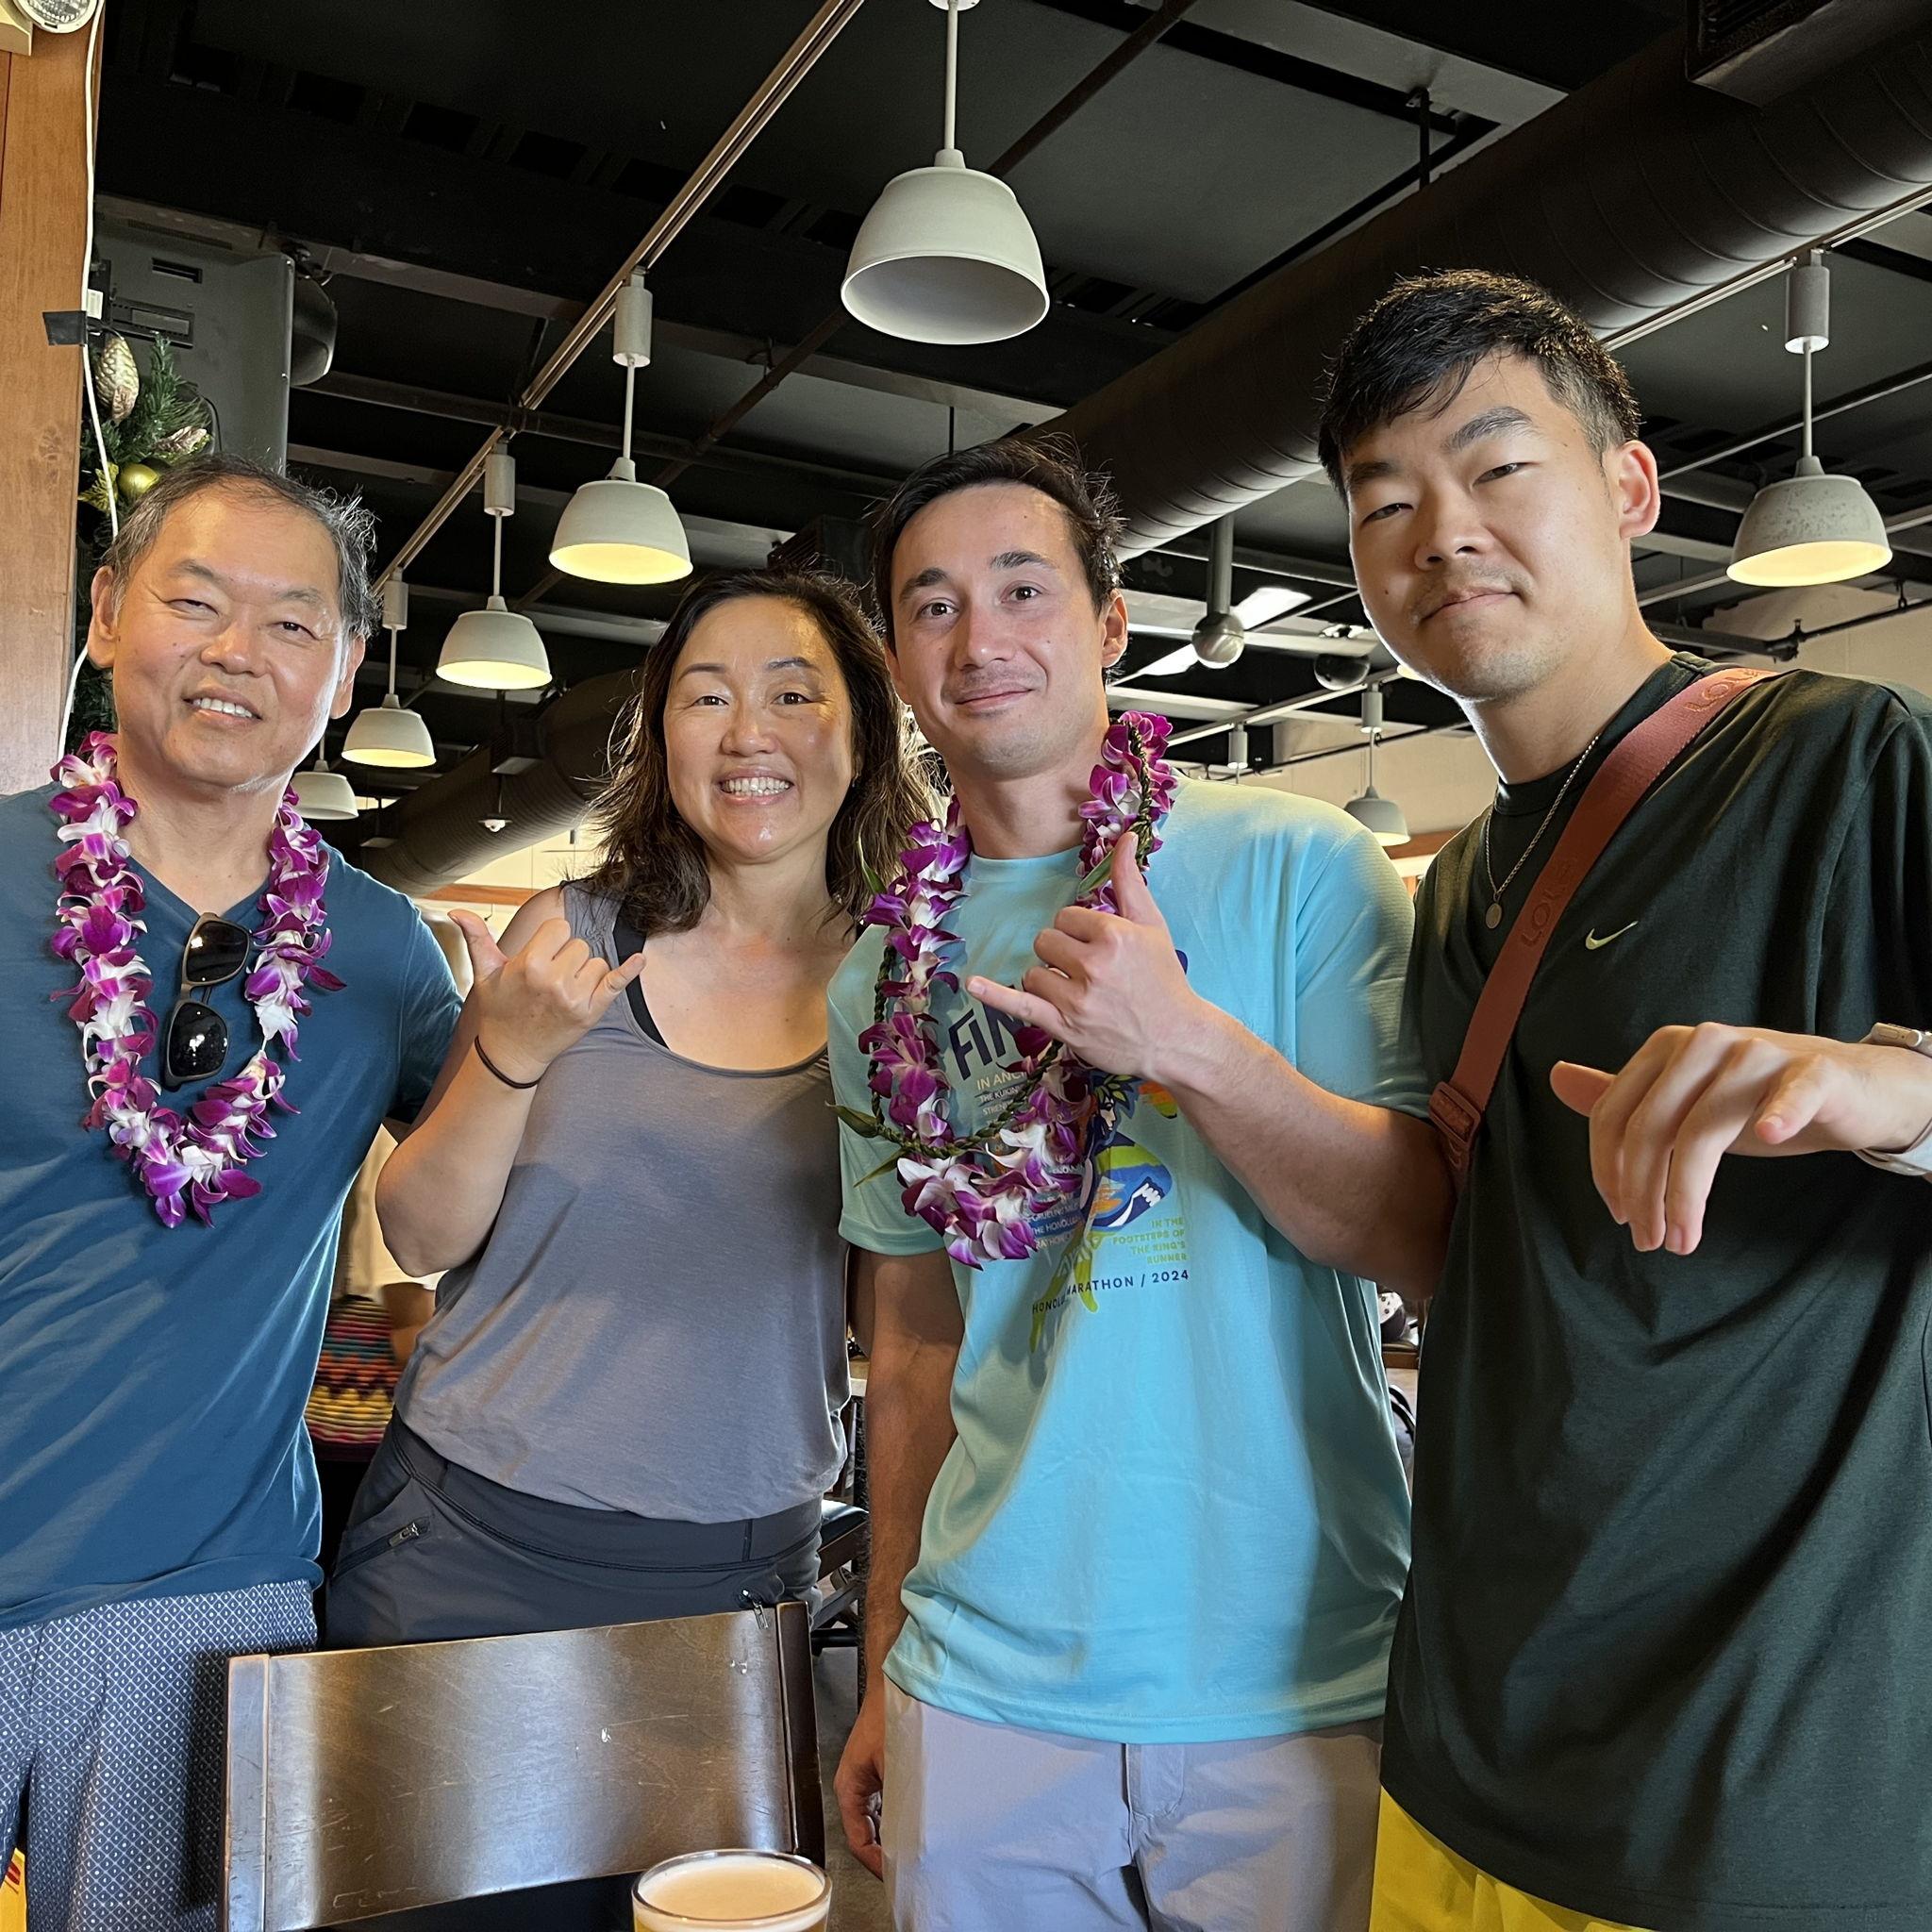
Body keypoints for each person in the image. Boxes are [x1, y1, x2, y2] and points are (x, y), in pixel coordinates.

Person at [1315, 268, 1932, 1932]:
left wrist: (1888, 1087)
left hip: (1751, 1794)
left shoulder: (1844, 762)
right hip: (1459, 1744)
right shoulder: (1452, 897)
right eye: (1389, 503)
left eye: (1498, 466)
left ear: (1631, 488)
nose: (1443, 533)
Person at [829, 436, 1453, 1932]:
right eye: (931, 607)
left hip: (1295, 1672)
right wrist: (882, 1658)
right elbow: (911, 1351)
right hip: (979, 1681)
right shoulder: (880, 978)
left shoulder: (1300, 866)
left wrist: (1182, 1044)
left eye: (1023, 588)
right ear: (903, 663)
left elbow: (1423, 1234)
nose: (981, 639)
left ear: (1110, 625)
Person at [324, 570, 929, 1924]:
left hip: (732, 1579)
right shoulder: (574, 938)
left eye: (791, 692)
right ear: (661, 738)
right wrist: (510, 1052)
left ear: (864, 733)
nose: (746, 729)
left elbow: (906, 1338)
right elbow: (419, 1234)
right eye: (704, 696)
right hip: (469, 1544)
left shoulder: (907, 985)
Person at [0, 454, 463, 1932]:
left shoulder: (385, 958)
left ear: (339, 674)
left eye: (287, 623)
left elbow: (491, 1208)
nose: (233, 652)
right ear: (104, 613)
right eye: (192, 602)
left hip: (198, 1602)